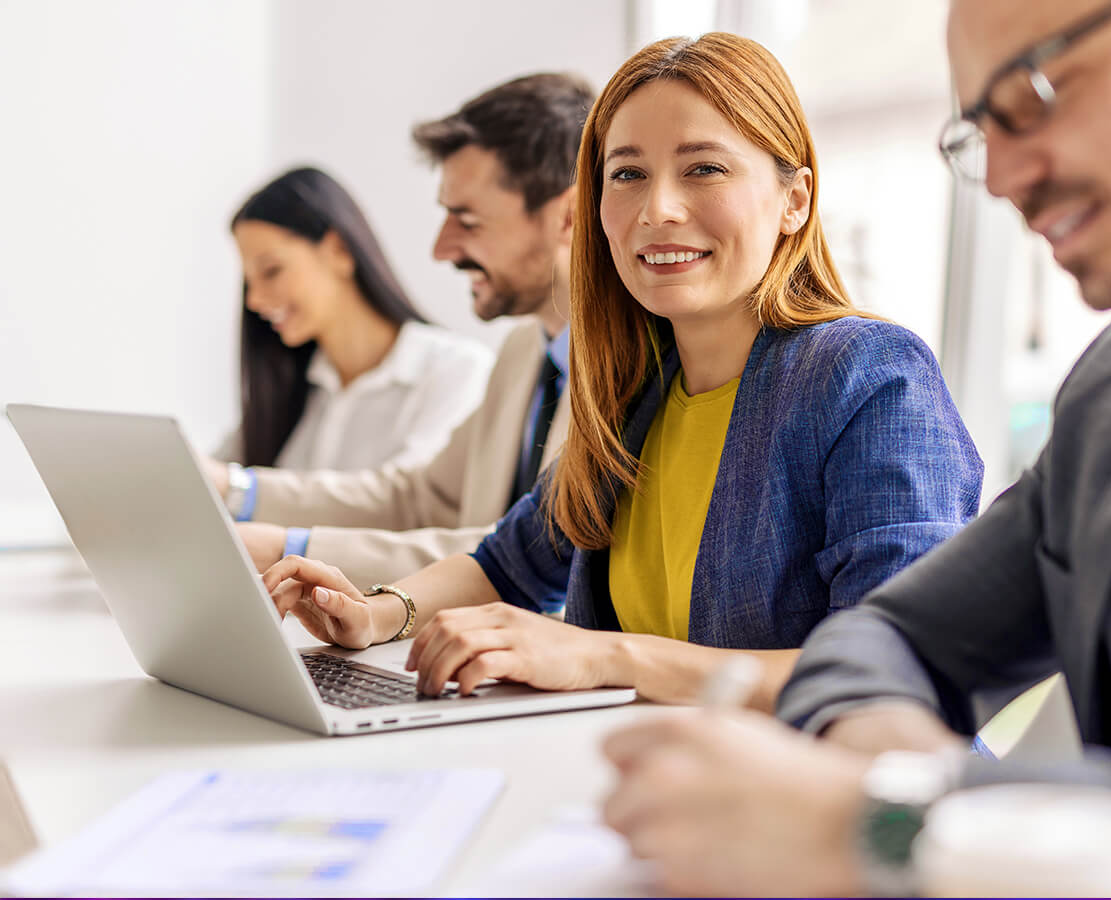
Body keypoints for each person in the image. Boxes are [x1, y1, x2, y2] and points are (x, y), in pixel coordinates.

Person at [601, 1, 1111, 896]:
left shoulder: (857, 372)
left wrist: (896, 826)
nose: (997, 177)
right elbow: (884, 634)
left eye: (1035, 90)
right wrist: (890, 781)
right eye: (979, 128)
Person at [261, 33, 982, 710]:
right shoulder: (637, 386)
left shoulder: (867, 377)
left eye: (704, 168)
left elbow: (891, 668)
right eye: (628, 174)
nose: (657, 210)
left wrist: (608, 658)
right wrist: (375, 614)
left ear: (794, 200)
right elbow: (508, 565)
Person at [207, 77, 593, 587]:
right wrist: (239, 491)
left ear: (568, 216)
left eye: (467, 220)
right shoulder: (525, 353)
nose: (442, 249)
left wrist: (291, 547)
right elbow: (417, 498)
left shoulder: (632, 369)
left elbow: (525, 558)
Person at [211, 166, 492, 489]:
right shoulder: (291, 391)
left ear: (338, 250)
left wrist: (241, 490)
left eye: (271, 271)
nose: (255, 300)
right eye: (249, 283)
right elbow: (202, 481)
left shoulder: (456, 370)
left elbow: (409, 505)